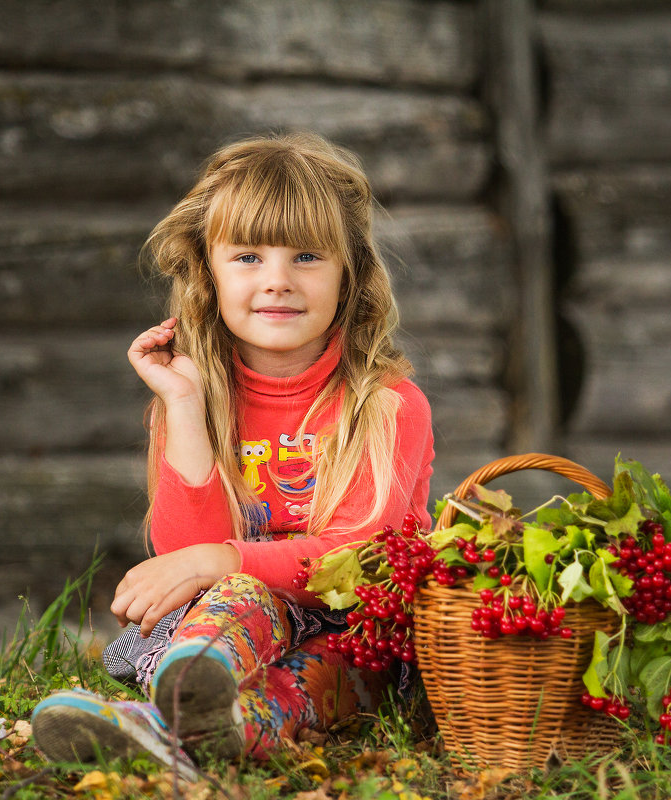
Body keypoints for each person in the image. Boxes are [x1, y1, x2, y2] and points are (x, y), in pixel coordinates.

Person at [31, 131, 434, 774]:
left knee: (282, 656)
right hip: (237, 623)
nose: (278, 282)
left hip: (356, 637)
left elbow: (359, 558)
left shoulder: (386, 404)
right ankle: (183, 729)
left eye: (307, 256)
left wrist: (219, 560)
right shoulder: (194, 396)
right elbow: (186, 552)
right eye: (247, 256)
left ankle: (159, 722)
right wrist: (184, 407)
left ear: (349, 273)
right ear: (207, 274)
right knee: (236, 597)